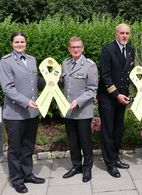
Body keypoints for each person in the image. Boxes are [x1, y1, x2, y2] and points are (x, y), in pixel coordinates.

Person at [0, 32, 45, 193]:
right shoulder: (5, 62)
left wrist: (53, 81)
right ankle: (17, 179)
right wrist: (26, 102)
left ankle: (27, 174)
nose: (20, 44)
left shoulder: (32, 60)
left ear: (26, 43)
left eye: (22, 42)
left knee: (28, 146)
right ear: (12, 43)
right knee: (15, 148)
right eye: (17, 42)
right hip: (15, 113)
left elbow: (34, 83)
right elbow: (8, 89)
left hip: (32, 112)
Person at [97, 23, 135, 178]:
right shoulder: (108, 50)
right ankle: (110, 163)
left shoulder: (131, 50)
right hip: (108, 97)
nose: (124, 36)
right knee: (108, 130)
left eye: (127, 33)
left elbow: (128, 73)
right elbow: (105, 75)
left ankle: (115, 157)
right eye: (122, 33)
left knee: (118, 129)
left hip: (122, 97)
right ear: (116, 34)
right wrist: (116, 94)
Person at [61, 37, 98, 182]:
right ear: (69, 49)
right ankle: (76, 165)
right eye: (72, 47)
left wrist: (78, 101)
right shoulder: (65, 63)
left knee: (85, 141)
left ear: (83, 48)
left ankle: (87, 167)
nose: (75, 49)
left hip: (82, 111)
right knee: (72, 141)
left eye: (78, 47)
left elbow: (92, 89)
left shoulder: (90, 65)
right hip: (68, 111)